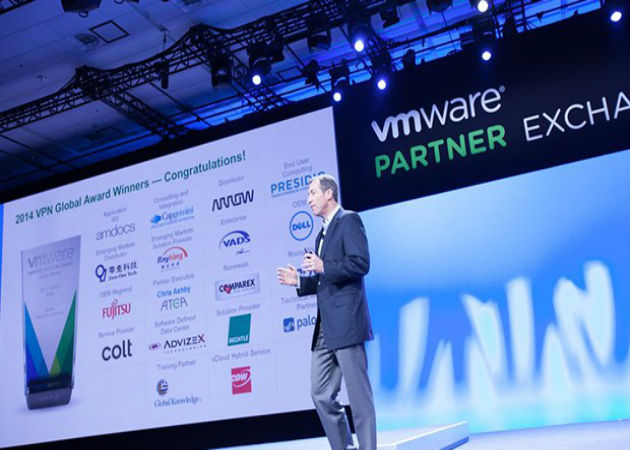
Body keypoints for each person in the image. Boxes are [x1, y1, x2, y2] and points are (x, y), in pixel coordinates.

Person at [277, 174, 376, 450]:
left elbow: (361, 263)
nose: (308, 199)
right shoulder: (321, 233)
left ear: (329, 193)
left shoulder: (349, 221)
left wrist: (324, 266)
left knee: (359, 399)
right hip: (325, 328)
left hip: (347, 324)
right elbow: (325, 280)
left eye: (312, 193)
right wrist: (300, 281)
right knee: (320, 393)